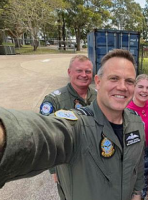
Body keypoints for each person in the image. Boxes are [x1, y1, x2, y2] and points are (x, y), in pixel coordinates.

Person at [0, 49, 144, 200]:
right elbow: (36, 135)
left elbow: (137, 166)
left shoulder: (136, 123)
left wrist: (136, 194)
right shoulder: (77, 126)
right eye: (114, 78)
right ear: (98, 82)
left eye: (129, 81)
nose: (122, 87)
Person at [39, 55, 97, 199]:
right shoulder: (54, 100)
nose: (84, 75)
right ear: (69, 72)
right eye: (79, 71)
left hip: (95, 161)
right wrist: (53, 169)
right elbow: (46, 137)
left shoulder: (98, 97)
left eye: (88, 71)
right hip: (68, 164)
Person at [126, 74, 148, 198]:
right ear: (134, 87)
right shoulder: (125, 108)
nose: (144, 91)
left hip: (147, 150)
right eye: (141, 87)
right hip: (129, 152)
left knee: (143, 182)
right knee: (130, 183)